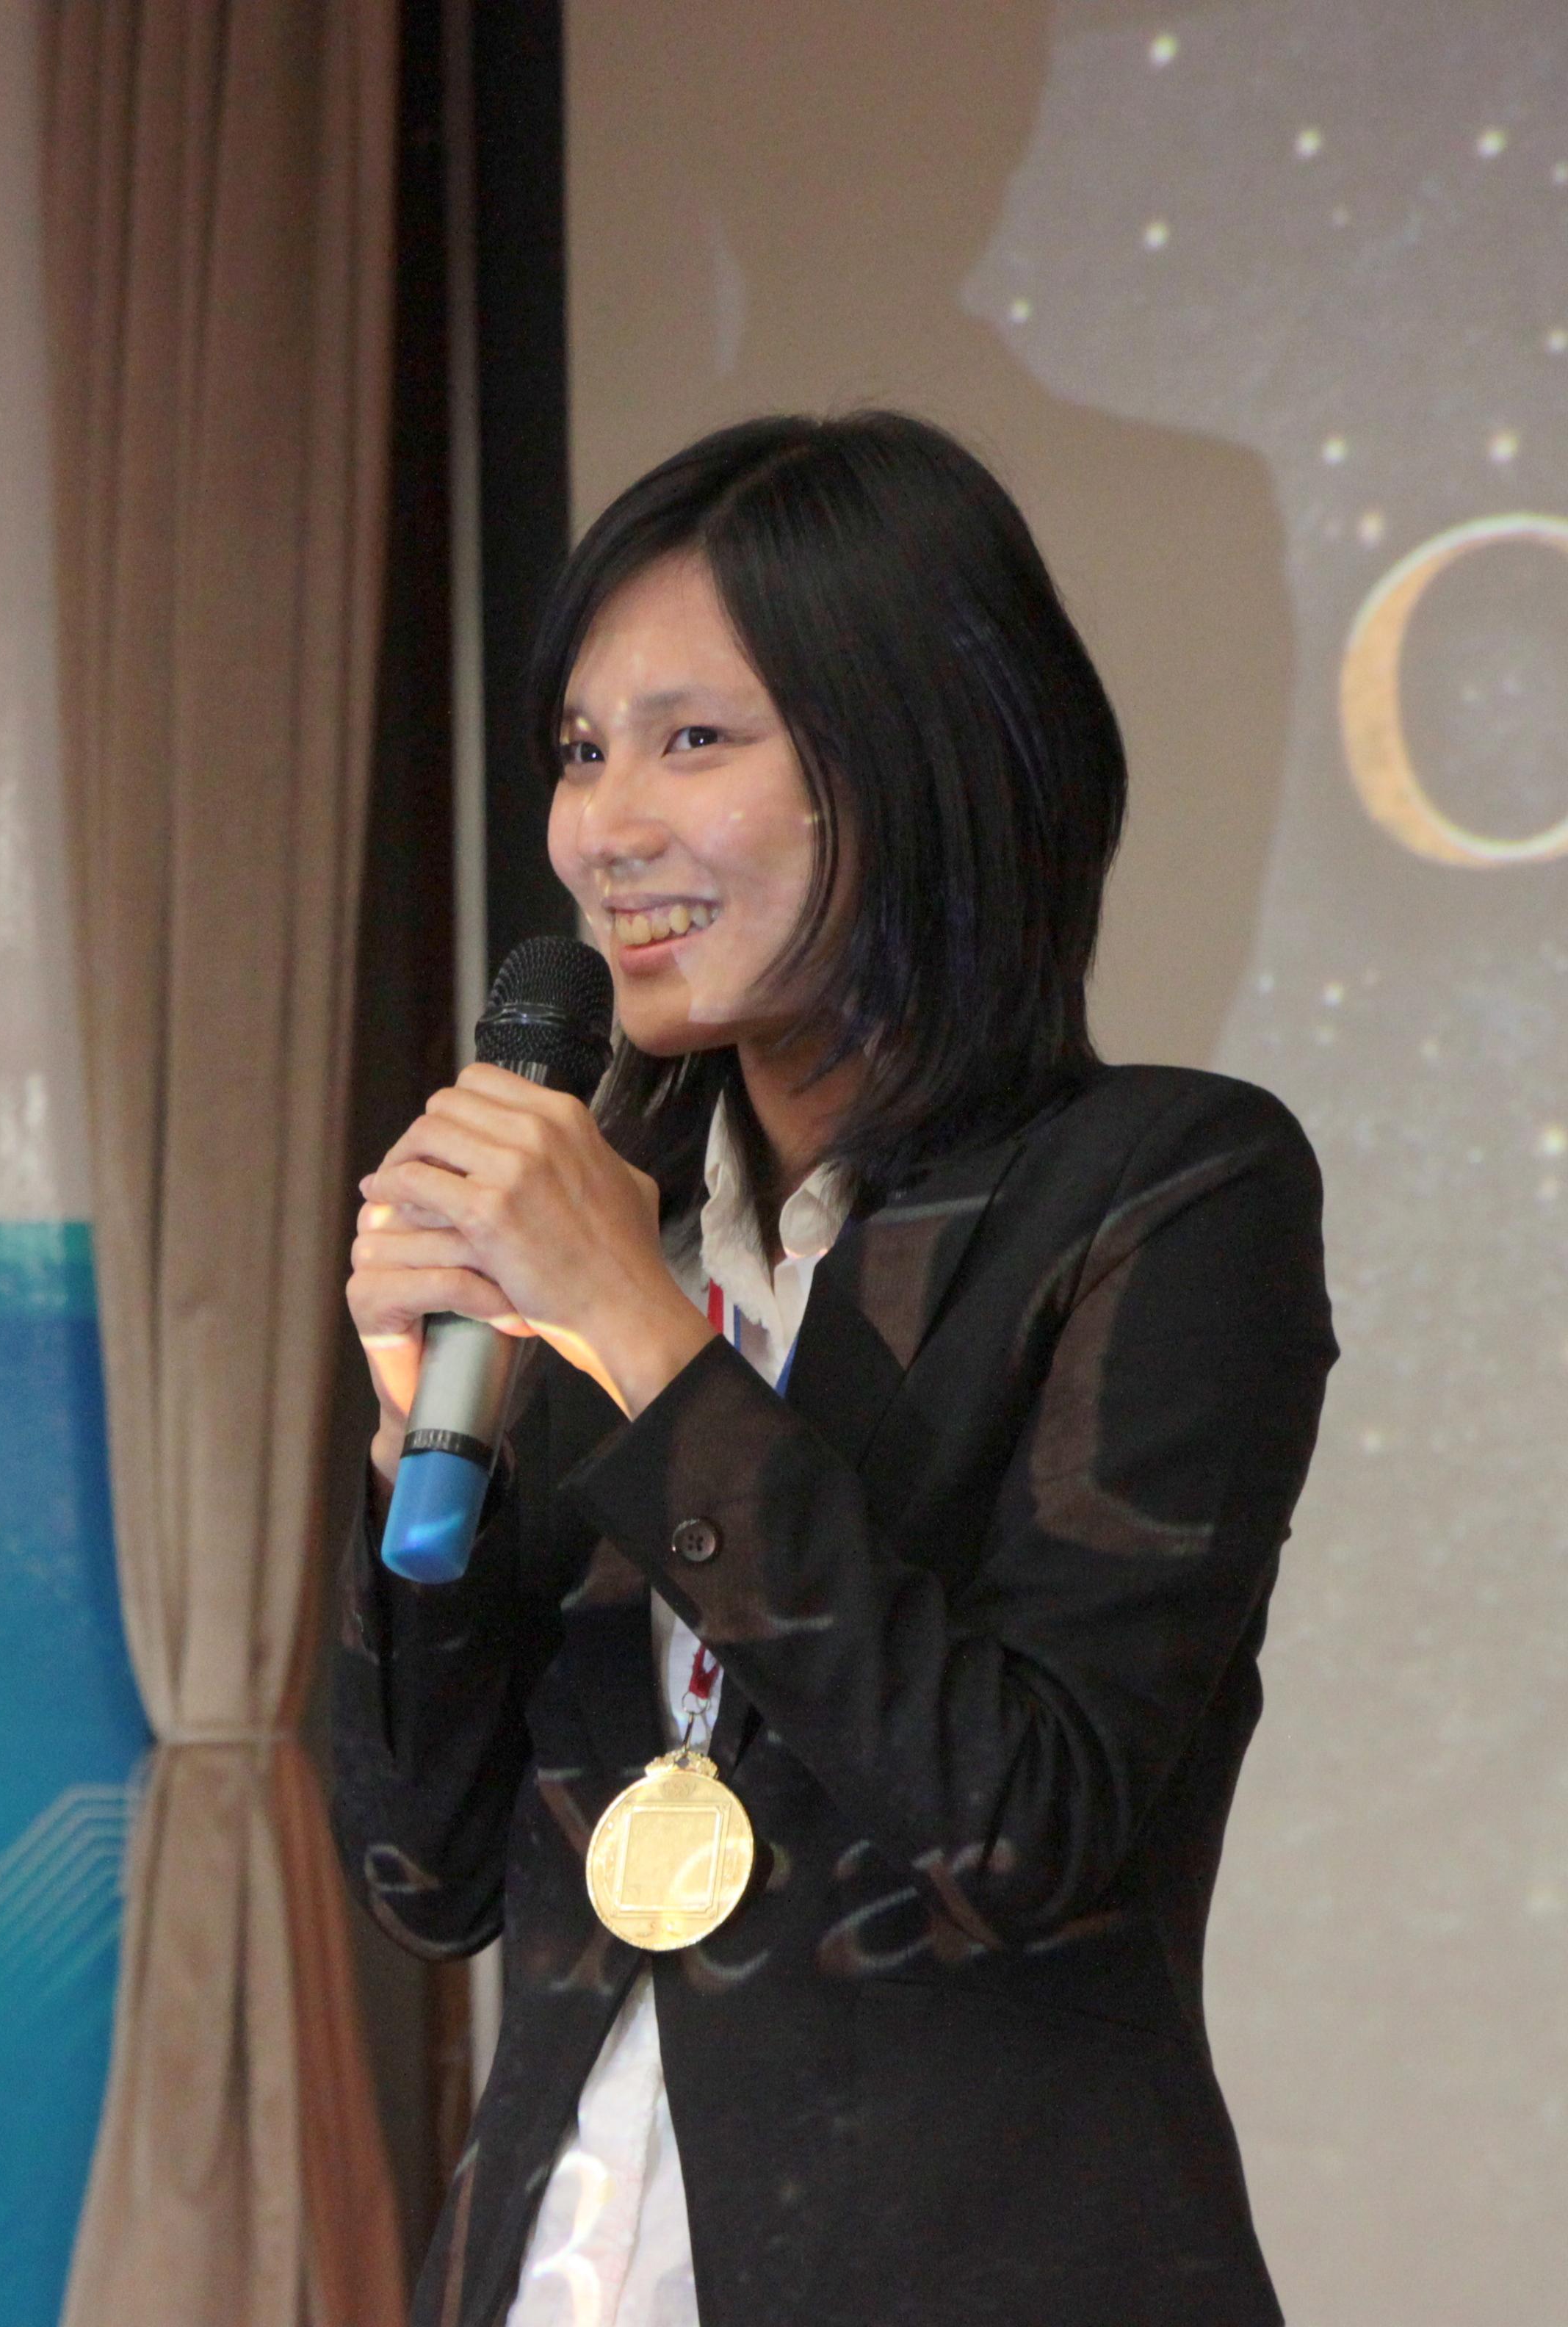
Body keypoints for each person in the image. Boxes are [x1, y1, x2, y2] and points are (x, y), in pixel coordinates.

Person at [329, 411, 1334, 2326]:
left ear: (920, 758)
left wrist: (641, 1340)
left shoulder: (1166, 1189)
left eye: (693, 740)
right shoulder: (602, 1233)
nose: (603, 826)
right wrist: (416, 1447)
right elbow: (421, 1875)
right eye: (581, 750)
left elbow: (1020, 1828)